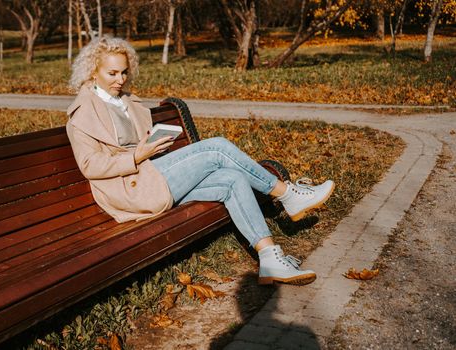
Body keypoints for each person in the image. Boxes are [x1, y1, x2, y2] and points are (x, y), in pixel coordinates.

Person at [66, 35, 335, 286]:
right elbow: (90, 166)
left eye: (124, 72)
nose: (120, 79)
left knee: (232, 179)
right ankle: (287, 193)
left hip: (150, 175)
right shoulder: (82, 113)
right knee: (217, 148)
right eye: (112, 73)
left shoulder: (125, 101)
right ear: (93, 72)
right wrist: (137, 155)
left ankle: (269, 258)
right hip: (129, 189)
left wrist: (150, 145)